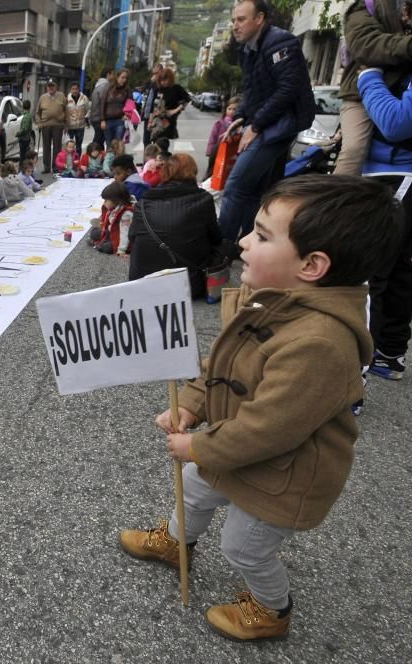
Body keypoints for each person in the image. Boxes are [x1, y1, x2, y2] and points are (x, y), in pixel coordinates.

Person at [119, 175, 402, 642]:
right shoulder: (273, 304)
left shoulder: (318, 343)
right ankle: (176, 543)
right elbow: (220, 366)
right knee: (192, 489)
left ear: (311, 265)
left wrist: (196, 445)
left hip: (282, 474)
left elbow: (268, 429)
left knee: (244, 548)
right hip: (235, 449)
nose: (243, 242)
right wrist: (191, 404)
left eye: (263, 236)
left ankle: (272, 610)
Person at [217, 0, 316, 244]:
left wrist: (256, 125)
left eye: (241, 20)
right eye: (233, 20)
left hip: (280, 124)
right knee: (257, 191)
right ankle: (250, 243)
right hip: (271, 122)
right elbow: (252, 90)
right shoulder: (249, 47)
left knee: (235, 187)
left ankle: (221, 249)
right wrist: (241, 116)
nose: (235, 26)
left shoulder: (280, 43)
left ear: (259, 19)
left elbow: (288, 89)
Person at [355, 56, 412, 382]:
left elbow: (396, 123)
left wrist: (368, 76)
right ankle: (389, 354)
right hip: (396, 172)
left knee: (367, 272)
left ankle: (352, 380)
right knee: (398, 268)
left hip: (396, 171)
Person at [126, 154, 222, 298]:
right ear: (193, 172)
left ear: (164, 173)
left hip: (142, 282)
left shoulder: (144, 201)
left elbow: (132, 237)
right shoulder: (203, 199)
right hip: (189, 285)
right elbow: (216, 238)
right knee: (224, 246)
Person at [335, 0, 412, 176]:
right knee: (353, 150)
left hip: (399, 90)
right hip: (361, 93)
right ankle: (335, 200)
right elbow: (365, 45)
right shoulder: (365, 5)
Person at [87, 180, 133, 255]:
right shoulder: (114, 208)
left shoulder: (126, 214)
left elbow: (125, 234)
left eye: (106, 200)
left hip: (121, 239)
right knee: (94, 232)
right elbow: (108, 222)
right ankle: (97, 241)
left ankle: (97, 243)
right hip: (112, 232)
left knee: (107, 247)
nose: (104, 202)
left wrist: (121, 250)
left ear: (116, 200)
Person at [36, 80, 68, 173]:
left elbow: (66, 110)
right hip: (45, 125)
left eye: (52, 86)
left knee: (57, 146)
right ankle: (46, 167)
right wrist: (39, 122)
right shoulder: (42, 97)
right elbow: (37, 113)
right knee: (46, 146)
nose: (51, 88)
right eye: (49, 86)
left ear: (56, 87)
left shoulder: (61, 96)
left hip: (58, 125)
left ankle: (55, 166)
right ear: (47, 88)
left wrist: (66, 124)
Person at [151, 68, 191, 141]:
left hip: (168, 119)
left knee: (163, 142)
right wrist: (151, 120)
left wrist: (175, 110)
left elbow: (187, 99)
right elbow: (154, 105)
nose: (163, 82)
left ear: (170, 78)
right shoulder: (159, 88)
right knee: (155, 140)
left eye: (165, 79)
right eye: (161, 80)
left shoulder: (176, 88)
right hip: (157, 119)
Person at [206, 96, 241, 179]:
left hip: (233, 154)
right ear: (225, 109)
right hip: (219, 152)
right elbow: (212, 138)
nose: (232, 111)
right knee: (215, 172)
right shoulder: (219, 123)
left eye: (235, 109)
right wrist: (210, 152)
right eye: (229, 109)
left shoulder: (241, 125)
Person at [100, 68, 132, 145]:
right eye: (122, 77)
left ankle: (118, 157)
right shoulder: (108, 88)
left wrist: (127, 115)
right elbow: (102, 104)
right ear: (117, 77)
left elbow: (130, 105)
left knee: (118, 144)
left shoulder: (127, 90)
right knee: (109, 144)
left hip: (120, 121)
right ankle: (109, 157)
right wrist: (102, 120)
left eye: (126, 78)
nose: (124, 80)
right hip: (107, 121)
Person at [88, 69, 113, 147]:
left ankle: (97, 156)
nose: (113, 76)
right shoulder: (105, 85)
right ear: (108, 74)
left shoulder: (98, 85)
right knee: (99, 140)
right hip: (100, 117)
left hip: (95, 116)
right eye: (112, 74)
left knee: (99, 139)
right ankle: (92, 154)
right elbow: (104, 102)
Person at [66, 82, 91, 148]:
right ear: (70, 90)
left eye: (76, 89)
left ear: (79, 89)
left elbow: (88, 109)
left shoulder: (84, 98)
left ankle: (77, 158)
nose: (75, 91)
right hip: (70, 126)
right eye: (73, 89)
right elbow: (65, 112)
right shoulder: (67, 99)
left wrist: (85, 117)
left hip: (80, 126)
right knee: (69, 146)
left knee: (78, 146)